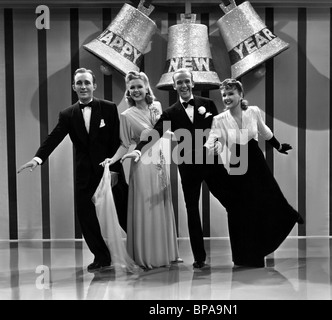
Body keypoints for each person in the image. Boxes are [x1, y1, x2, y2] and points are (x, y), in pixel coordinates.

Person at [17, 68, 131, 273]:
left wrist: (114, 169)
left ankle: (140, 248)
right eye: (79, 83)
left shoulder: (109, 108)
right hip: (84, 173)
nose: (83, 86)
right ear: (74, 87)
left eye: (87, 82)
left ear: (94, 85)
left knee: (124, 210)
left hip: (109, 169)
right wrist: (37, 158)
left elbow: (116, 140)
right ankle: (101, 256)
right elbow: (54, 137)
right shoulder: (68, 114)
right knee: (86, 215)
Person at [124, 68, 237, 269]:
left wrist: (220, 142)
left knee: (233, 203)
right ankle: (199, 258)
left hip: (212, 164)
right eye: (179, 82)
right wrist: (139, 151)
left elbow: (219, 128)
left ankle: (240, 251)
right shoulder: (170, 112)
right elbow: (155, 133)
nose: (183, 85)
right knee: (192, 211)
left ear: (192, 83)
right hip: (188, 168)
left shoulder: (208, 104)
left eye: (187, 81)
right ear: (174, 86)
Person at [204, 78, 304, 268]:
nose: (227, 97)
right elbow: (211, 141)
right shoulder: (219, 120)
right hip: (237, 162)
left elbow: (264, 131)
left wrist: (279, 146)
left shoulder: (253, 111)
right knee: (241, 209)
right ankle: (244, 255)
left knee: (268, 195)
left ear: (241, 95)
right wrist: (213, 147)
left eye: (231, 93)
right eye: (224, 94)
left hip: (256, 159)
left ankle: (288, 216)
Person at [100, 70, 181, 270]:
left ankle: (167, 253)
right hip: (142, 166)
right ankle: (148, 256)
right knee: (147, 207)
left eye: (139, 86)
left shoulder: (158, 107)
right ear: (128, 91)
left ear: (146, 88)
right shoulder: (126, 116)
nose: (136, 90)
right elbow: (124, 144)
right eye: (132, 87)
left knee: (162, 204)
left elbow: (164, 131)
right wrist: (113, 159)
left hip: (161, 161)